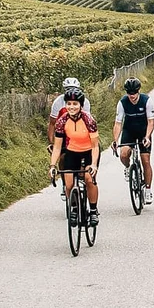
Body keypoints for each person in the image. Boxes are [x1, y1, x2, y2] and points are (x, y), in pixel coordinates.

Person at [49, 90, 101, 225]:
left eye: (75, 104)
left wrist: (94, 165)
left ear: (81, 105)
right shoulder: (62, 121)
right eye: (69, 104)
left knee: (89, 180)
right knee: (69, 184)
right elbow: (57, 147)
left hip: (89, 151)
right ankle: (74, 208)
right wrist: (53, 166)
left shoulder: (89, 120)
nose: (71, 107)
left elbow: (95, 146)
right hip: (72, 152)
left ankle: (94, 210)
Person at [115, 77, 154, 204]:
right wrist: (115, 140)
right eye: (129, 93)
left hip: (144, 131)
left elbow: (151, 122)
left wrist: (147, 137)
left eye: (134, 93)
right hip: (129, 131)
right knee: (123, 154)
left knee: (145, 160)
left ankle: (148, 190)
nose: (132, 96)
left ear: (138, 91)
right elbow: (118, 123)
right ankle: (128, 167)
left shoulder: (147, 101)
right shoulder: (122, 102)